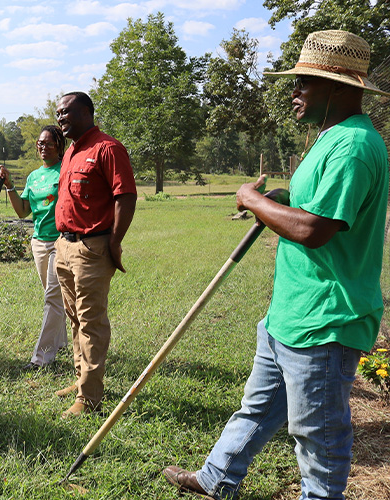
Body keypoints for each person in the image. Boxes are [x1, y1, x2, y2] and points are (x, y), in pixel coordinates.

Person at [163, 30, 389, 500]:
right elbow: (313, 209)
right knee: (258, 409)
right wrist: (281, 200)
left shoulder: (352, 146)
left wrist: (249, 198)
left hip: (326, 321)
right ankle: (215, 478)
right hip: (291, 312)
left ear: (339, 87)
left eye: (304, 83)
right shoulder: (330, 136)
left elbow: (313, 229)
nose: (295, 93)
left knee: (318, 438)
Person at [52, 91, 137, 418]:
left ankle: (89, 399)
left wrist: (113, 243)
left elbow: (125, 197)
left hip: (92, 248)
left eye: (67, 112)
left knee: (91, 323)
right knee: (75, 319)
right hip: (64, 246)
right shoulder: (71, 151)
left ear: (87, 112)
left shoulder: (107, 148)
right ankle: (81, 379)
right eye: (58, 113)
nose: (61, 118)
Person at [0, 125, 68, 370]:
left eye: (49, 143)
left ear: (59, 145)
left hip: (61, 241)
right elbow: (22, 211)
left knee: (52, 298)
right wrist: (9, 186)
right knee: (55, 298)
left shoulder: (65, 170)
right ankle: (61, 345)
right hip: (38, 241)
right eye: (40, 143)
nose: (43, 147)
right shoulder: (34, 176)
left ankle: (42, 359)